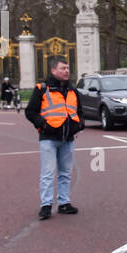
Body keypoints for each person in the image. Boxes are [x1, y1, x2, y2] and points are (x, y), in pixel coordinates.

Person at [25, 56, 83, 220]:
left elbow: (79, 111)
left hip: (68, 138)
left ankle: (64, 203)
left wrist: (79, 125)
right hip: (49, 137)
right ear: (53, 70)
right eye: (63, 68)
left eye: (67, 68)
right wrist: (43, 125)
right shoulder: (42, 88)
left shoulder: (72, 90)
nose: (66, 71)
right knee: (48, 173)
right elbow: (30, 112)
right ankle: (46, 205)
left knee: (65, 173)